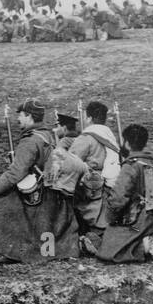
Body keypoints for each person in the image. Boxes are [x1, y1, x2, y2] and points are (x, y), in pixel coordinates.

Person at [0, 99, 80, 263]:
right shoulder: (49, 135)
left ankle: (11, 251)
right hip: (54, 196)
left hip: (39, 198)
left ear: (29, 116)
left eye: (21, 115)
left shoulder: (30, 140)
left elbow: (15, 173)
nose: (18, 119)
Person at [95, 124, 153, 263]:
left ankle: (145, 246)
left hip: (137, 219)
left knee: (107, 249)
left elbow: (118, 199)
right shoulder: (151, 162)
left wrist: (110, 218)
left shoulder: (130, 166)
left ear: (127, 143)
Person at [68, 101, 122, 251]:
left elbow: (71, 163)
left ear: (89, 118)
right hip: (108, 186)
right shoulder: (110, 136)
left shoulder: (86, 138)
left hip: (90, 189)